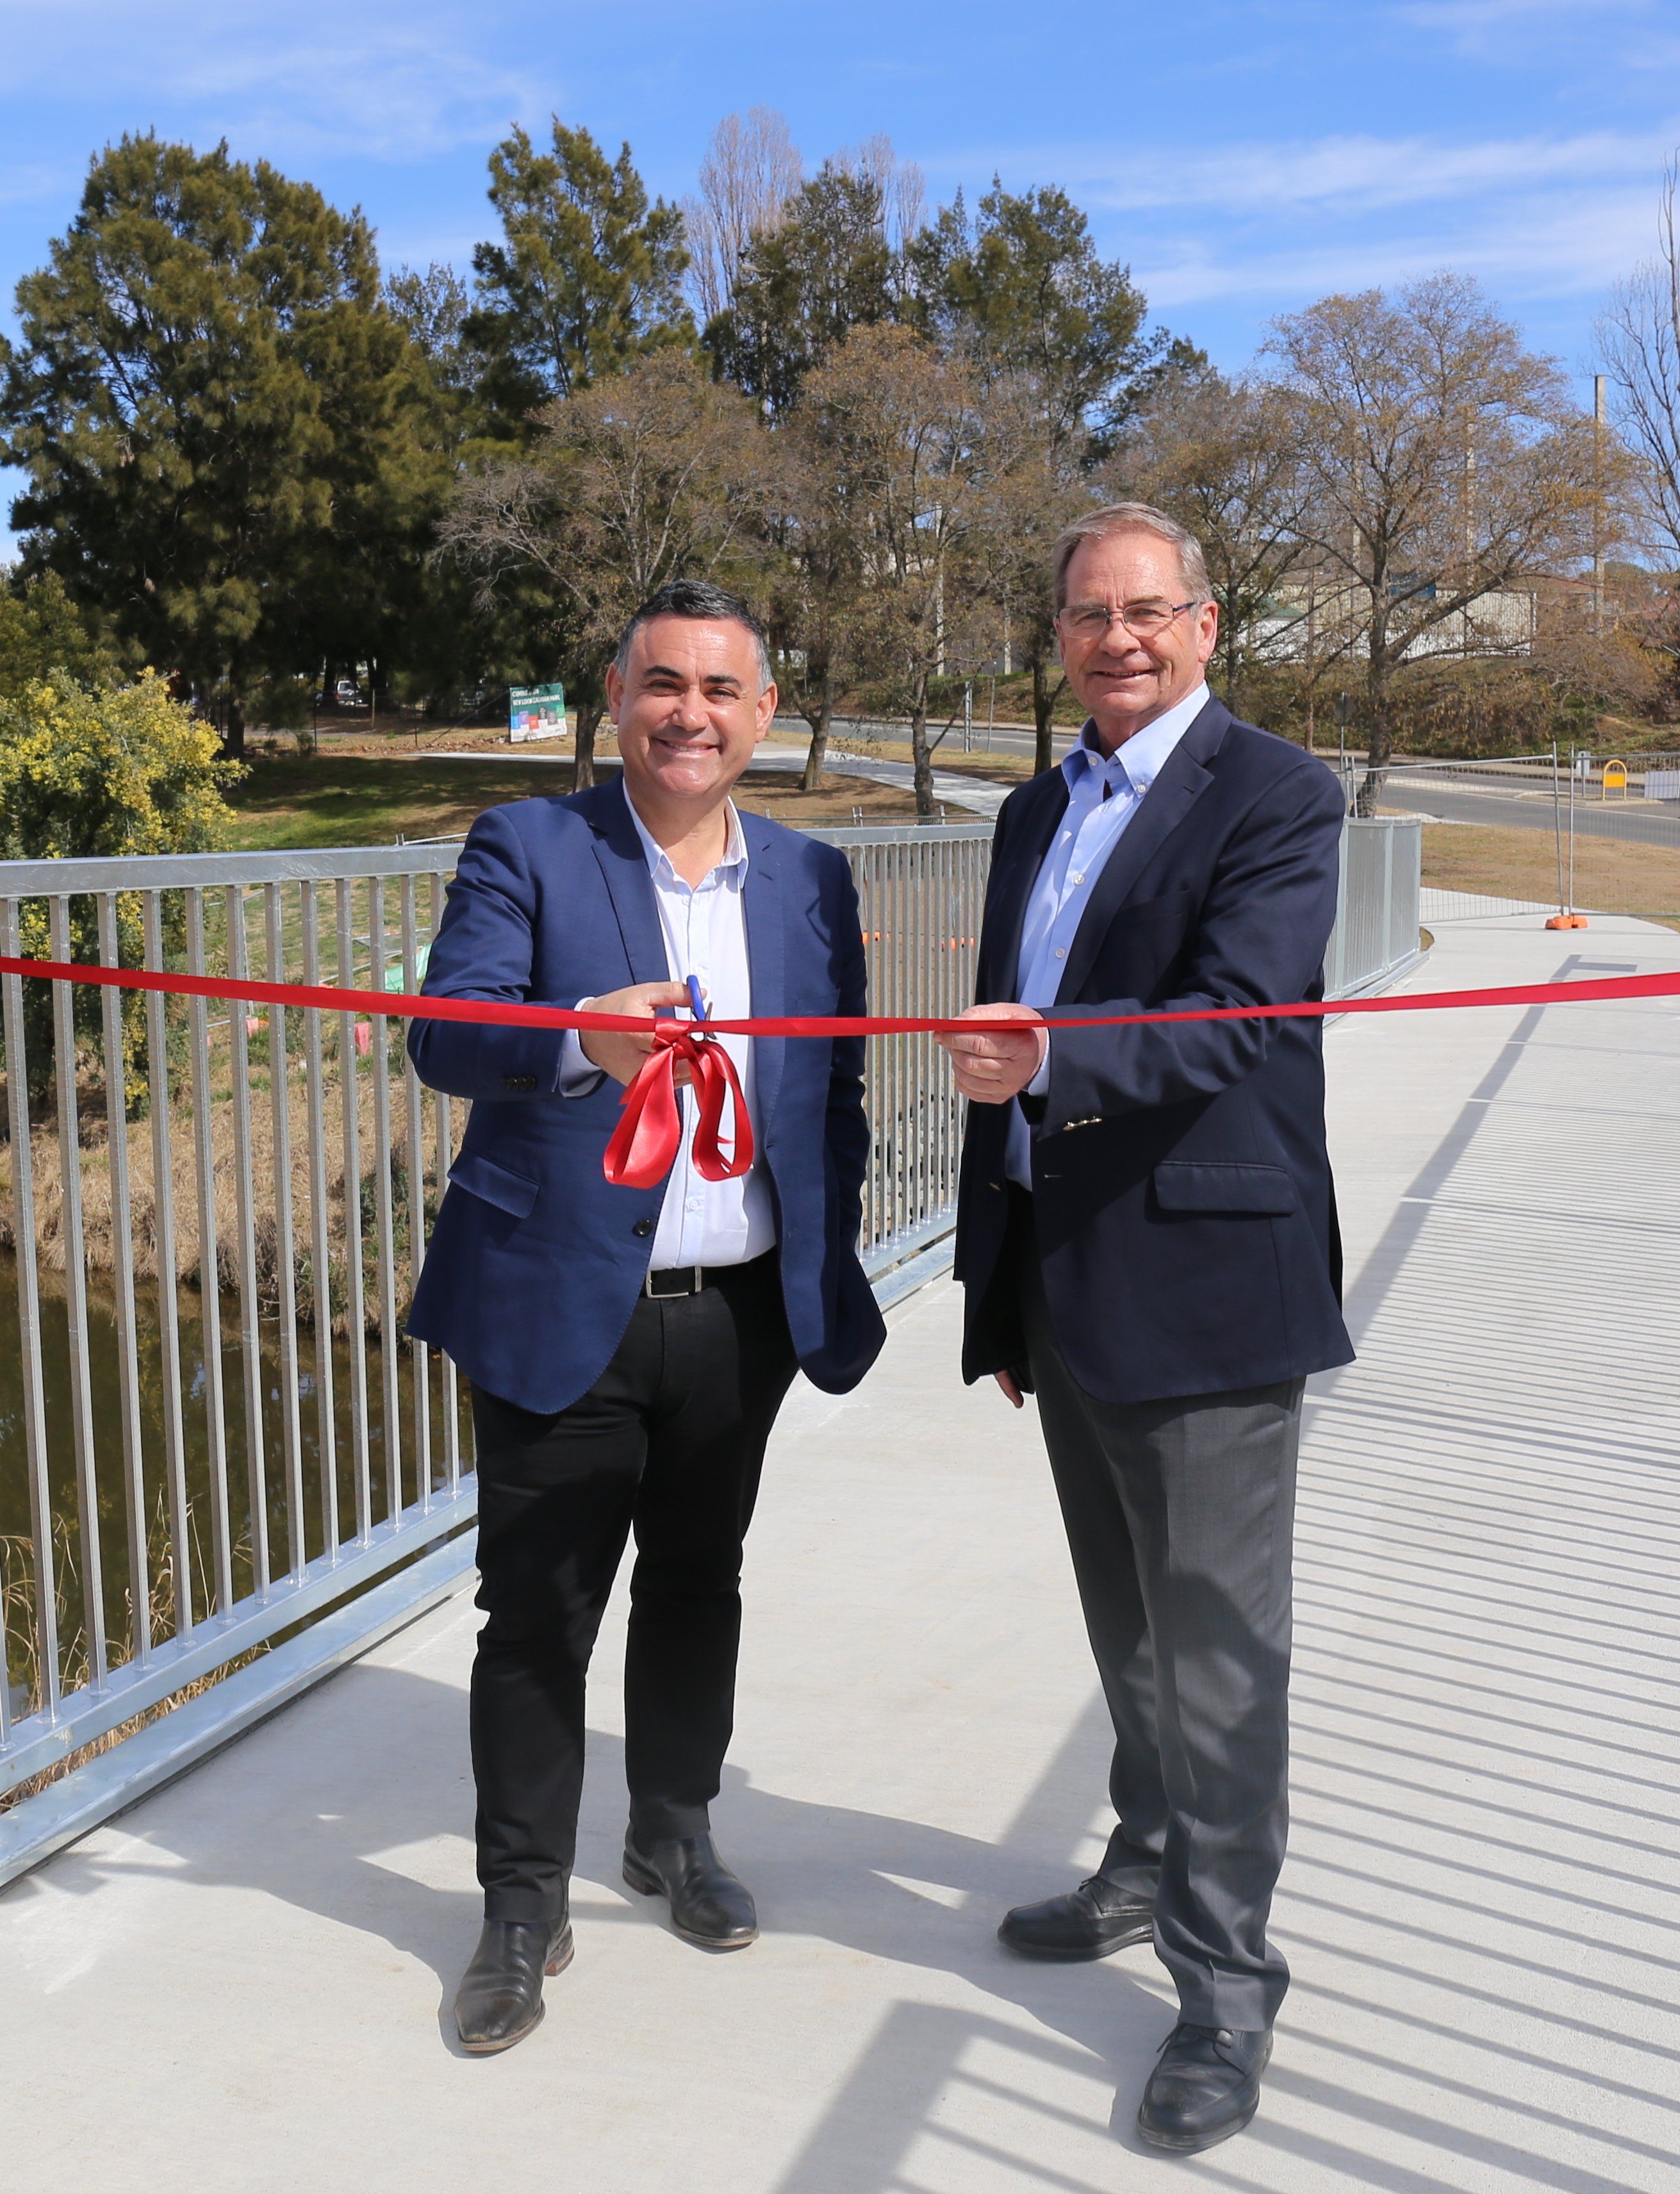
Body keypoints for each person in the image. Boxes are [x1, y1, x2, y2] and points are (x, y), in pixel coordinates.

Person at [406, 577, 886, 2056]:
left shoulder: (811, 880)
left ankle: (670, 1831)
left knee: (698, 1582)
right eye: (662, 684)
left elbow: (837, 1093)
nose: (691, 712)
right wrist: (571, 1039)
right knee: (537, 1609)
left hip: (737, 1307)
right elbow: (445, 1032)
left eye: (721, 689)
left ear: (765, 712)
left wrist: (821, 1246)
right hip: (564, 1302)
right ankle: (517, 1902)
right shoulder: (529, 844)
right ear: (615, 699)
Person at [938, 503, 1350, 2154]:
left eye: (1147, 610)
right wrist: (999, 1269)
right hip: (1063, 1273)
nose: (1117, 636)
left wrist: (1050, 1061)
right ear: (1058, 635)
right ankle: (1138, 1858)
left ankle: (1227, 1986)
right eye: (1088, 614)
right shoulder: (1035, 806)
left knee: (1219, 1659)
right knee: (1126, 1622)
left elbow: (1233, 1017)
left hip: (1207, 1292)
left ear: (1206, 622)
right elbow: (990, 1041)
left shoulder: (1277, 794)